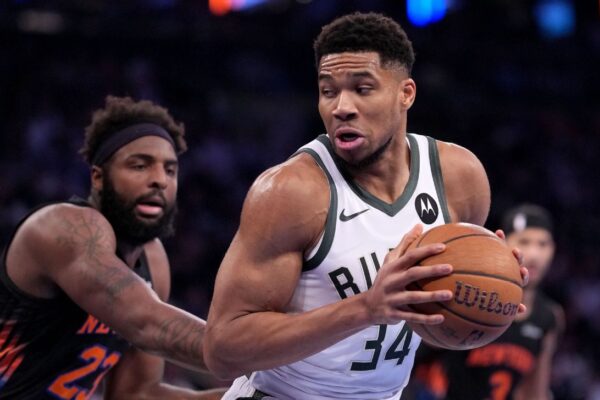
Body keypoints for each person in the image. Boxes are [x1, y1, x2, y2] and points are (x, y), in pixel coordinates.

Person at [204, 12, 526, 400]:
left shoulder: (460, 178)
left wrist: (485, 293)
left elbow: (431, 327)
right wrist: (366, 308)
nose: (342, 107)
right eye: (328, 91)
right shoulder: (292, 191)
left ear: (406, 93)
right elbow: (222, 350)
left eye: (362, 88)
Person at [0, 96, 225, 399]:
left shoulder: (153, 259)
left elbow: (137, 394)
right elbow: (145, 323)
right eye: (140, 166)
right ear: (98, 177)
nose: (159, 180)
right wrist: (258, 357)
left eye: (170, 170)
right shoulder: (62, 227)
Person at [409, 203, 564, 400]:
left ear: (553, 249)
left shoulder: (549, 317)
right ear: (505, 244)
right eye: (524, 242)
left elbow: (534, 393)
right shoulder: (469, 297)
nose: (534, 255)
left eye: (542, 244)